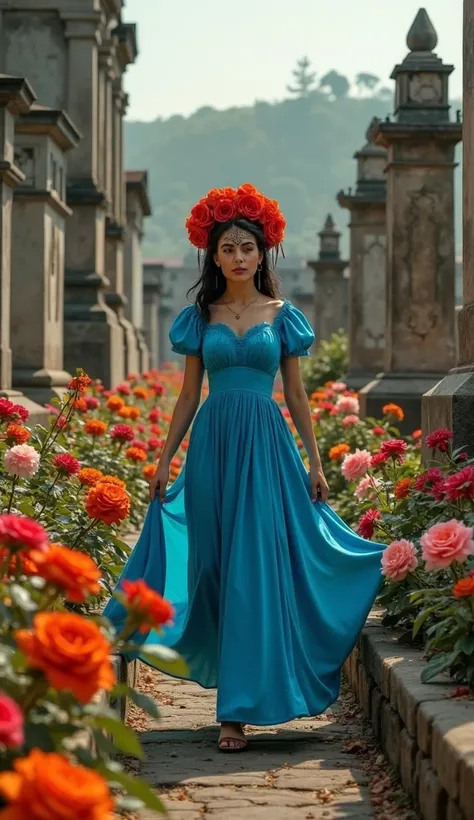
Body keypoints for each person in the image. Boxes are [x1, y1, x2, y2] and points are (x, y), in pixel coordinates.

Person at [104, 184, 385, 753]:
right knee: (215, 569)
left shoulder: (284, 316)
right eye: (227, 248)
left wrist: (314, 462)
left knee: (253, 568)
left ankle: (237, 710)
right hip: (212, 447)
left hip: (267, 446)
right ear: (213, 256)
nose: (237, 257)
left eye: (246, 248)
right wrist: (164, 461)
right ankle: (232, 694)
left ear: (264, 254)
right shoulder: (197, 317)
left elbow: (298, 396)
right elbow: (186, 397)